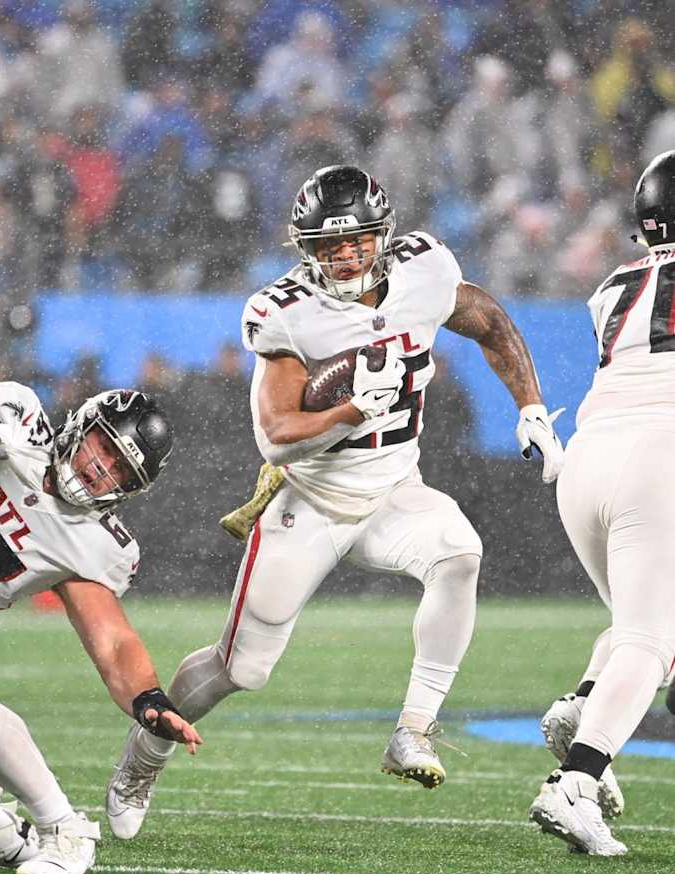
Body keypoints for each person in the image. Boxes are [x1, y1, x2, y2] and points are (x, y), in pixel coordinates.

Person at [106, 165, 563, 839]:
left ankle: (413, 730)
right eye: (327, 245)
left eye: (356, 242)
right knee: (243, 668)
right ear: (305, 248)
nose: (344, 256)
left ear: (385, 235)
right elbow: (276, 434)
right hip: (310, 501)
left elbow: (490, 320)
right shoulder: (285, 309)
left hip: (394, 489)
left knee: (461, 551)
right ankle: (142, 760)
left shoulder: (426, 268)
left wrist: (532, 409)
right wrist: (351, 409)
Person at [0, 383, 202, 874]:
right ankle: (18, 840)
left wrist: (150, 701)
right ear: (82, 424)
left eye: (122, 470)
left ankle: (64, 828)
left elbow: (112, 638)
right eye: (105, 447)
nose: (103, 469)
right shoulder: (17, 418)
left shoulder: (93, 544)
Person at [529, 150, 675, 856]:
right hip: (662, 453)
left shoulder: (614, 284)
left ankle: (584, 701)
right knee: (652, 640)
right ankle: (575, 783)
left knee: (637, 624)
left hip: (586, 454)